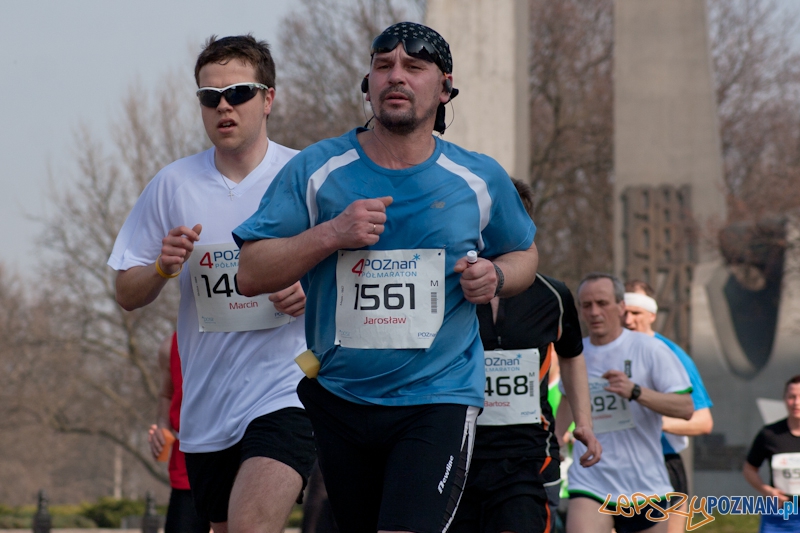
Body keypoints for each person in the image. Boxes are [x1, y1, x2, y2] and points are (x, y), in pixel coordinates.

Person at [233, 21, 539, 533]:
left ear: (443, 88)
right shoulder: (318, 169)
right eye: (383, 66)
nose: (396, 76)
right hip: (340, 398)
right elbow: (249, 274)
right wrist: (330, 234)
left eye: (414, 68)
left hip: (437, 397)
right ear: (368, 84)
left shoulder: (479, 178)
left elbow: (524, 253)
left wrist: (497, 275)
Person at [108, 35, 315, 533]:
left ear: (268, 99)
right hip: (207, 406)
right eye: (209, 97)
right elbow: (125, 292)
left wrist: (311, 289)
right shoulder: (172, 185)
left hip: (286, 389)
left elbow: (357, 265)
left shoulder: (304, 174)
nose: (224, 106)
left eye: (239, 93)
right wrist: (161, 267)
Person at [450, 179, 601, 533]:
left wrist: (585, 424)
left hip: (526, 454)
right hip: (455, 450)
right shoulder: (449, 290)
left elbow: (572, 355)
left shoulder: (553, 294)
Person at [557, 273, 693, 533]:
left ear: (621, 306)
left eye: (602, 303)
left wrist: (636, 391)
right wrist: (552, 444)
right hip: (592, 480)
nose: (594, 312)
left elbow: (685, 408)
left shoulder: (651, 349)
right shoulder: (576, 354)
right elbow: (566, 409)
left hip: (645, 484)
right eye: (586, 305)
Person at [623, 280, 714, 533]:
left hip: (661, 462)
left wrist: (652, 421)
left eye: (636, 313)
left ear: (651, 314)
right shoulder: (605, 352)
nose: (628, 320)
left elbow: (703, 422)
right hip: (614, 463)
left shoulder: (671, 355)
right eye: (623, 312)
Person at [148, 333, 208, 533]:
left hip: (239, 462)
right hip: (186, 467)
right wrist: (163, 426)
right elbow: (166, 393)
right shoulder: (170, 346)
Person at [743, 375, 800, 533]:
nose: (796, 403)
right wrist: (767, 491)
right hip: (779, 515)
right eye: (792, 397)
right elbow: (749, 469)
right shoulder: (770, 434)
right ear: (784, 399)